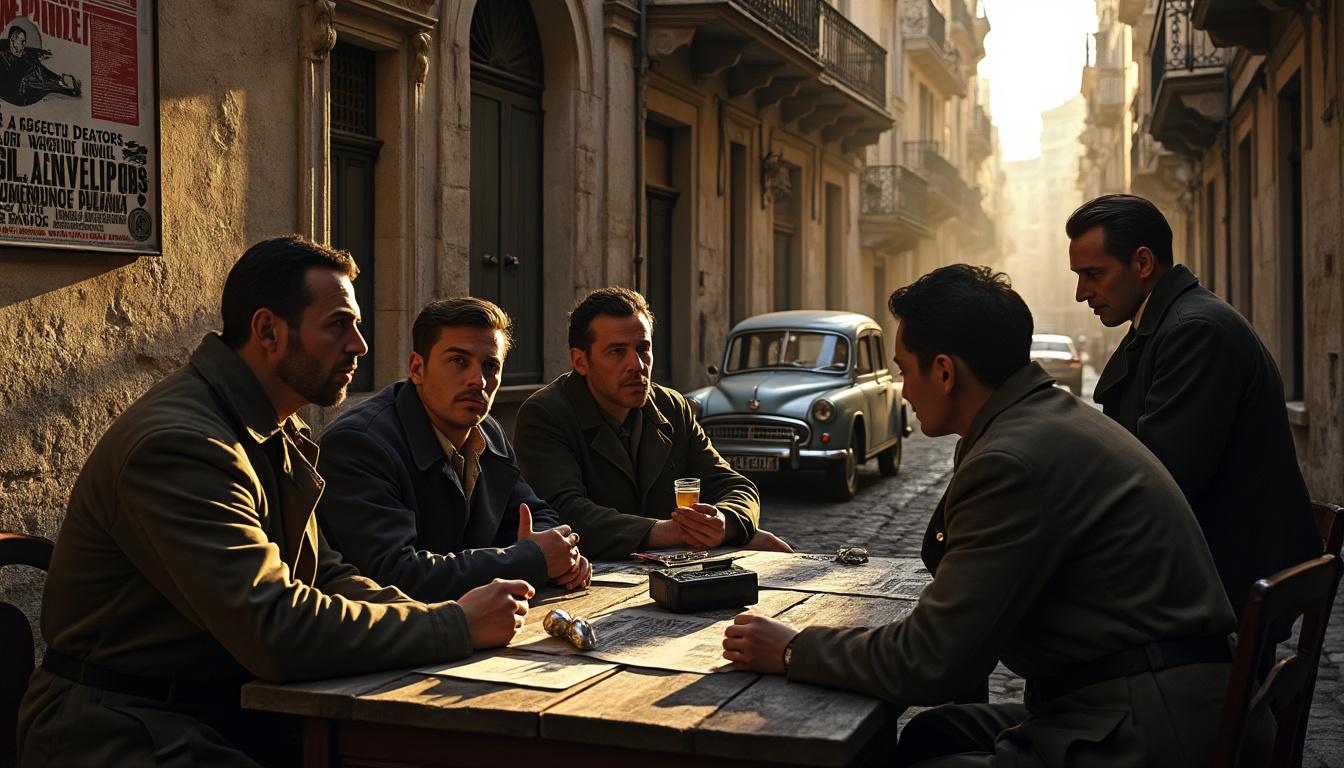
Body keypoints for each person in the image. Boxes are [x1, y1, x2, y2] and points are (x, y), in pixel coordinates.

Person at [18, 237, 533, 767]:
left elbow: (324, 574)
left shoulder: (267, 426)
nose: (360, 345)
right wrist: (452, 626)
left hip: (230, 711)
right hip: (124, 726)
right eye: (338, 325)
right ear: (268, 331)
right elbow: (274, 629)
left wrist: (438, 617)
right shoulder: (185, 444)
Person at [721, 265, 1264, 767]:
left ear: (944, 372)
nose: (904, 391)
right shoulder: (1041, 417)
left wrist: (792, 649)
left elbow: (932, 661)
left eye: (905, 371)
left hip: (1148, 727)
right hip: (1150, 695)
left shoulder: (1011, 460)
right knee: (935, 733)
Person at [1067, 193, 1319, 616]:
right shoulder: (1164, 322)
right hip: (1196, 567)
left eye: (1093, 274)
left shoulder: (1194, 331)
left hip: (1217, 584)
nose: (1081, 293)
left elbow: (1163, 478)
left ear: (1142, 263)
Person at [318, 297, 590, 602]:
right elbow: (394, 573)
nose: (479, 380)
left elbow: (534, 514)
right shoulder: (359, 444)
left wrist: (559, 552)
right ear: (417, 368)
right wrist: (532, 560)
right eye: (459, 361)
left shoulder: (488, 431)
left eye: (491, 366)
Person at [514, 287, 791, 559]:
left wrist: (725, 523)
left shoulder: (672, 407)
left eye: (643, 348)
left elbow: (735, 486)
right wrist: (676, 532)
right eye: (617, 351)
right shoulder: (546, 414)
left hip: (671, 573)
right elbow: (563, 512)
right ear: (580, 361)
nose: (636, 365)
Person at [0, 25, 80, 106]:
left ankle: (62, 82)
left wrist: (39, 53)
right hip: (21, 94)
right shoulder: (4, 57)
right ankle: (64, 86)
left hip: (31, 82)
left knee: (43, 73)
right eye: (21, 41)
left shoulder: (24, 54)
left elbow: (30, 54)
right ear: (12, 41)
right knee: (48, 85)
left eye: (24, 41)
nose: (24, 44)